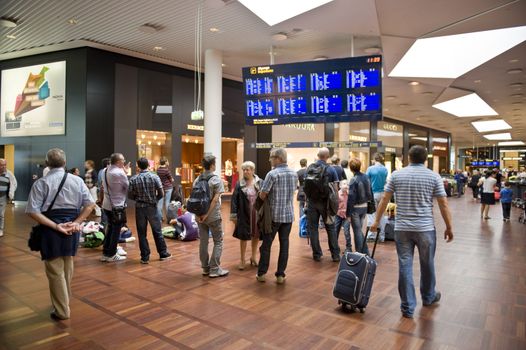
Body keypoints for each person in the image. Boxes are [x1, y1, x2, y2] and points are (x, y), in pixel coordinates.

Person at [371, 145, 453, 319]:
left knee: (405, 266)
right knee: (427, 263)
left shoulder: (396, 175)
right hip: (425, 228)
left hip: (402, 229)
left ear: (408, 158)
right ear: (425, 159)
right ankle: (429, 296)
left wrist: (376, 221)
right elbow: (443, 204)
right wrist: (449, 226)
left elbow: (385, 199)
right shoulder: (433, 176)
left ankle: (407, 307)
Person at [26, 148, 95, 320]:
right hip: (72, 228)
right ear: (65, 162)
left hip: (51, 229)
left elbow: (33, 211)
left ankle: (62, 310)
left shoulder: (41, 183)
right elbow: (90, 205)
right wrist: (76, 223)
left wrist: (56, 227)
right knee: (67, 266)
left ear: (47, 163)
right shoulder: (77, 181)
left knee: (55, 270)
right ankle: (63, 301)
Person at [257, 148, 297, 284]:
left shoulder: (272, 174)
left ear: (278, 158)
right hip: (288, 215)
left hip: (273, 216)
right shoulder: (293, 174)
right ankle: (280, 275)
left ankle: (262, 273)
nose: (269, 160)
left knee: (266, 245)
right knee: (284, 244)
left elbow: (263, 194)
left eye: (271, 157)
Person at [128, 158, 172, 263]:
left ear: (138, 166)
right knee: (157, 231)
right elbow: (161, 193)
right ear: (148, 165)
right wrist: (154, 200)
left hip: (140, 208)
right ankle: (163, 253)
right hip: (152, 207)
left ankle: (145, 257)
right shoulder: (154, 177)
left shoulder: (133, 179)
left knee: (141, 233)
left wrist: (139, 199)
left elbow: (130, 195)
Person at [195, 155, 229, 278]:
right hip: (212, 216)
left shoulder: (197, 179)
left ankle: (205, 268)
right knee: (218, 241)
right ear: (213, 165)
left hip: (199, 216)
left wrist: (199, 215)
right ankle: (214, 269)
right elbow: (215, 200)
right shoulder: (216, 180)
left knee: (203, 242)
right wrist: (207, 214)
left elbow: (194, 199)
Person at [305, 148, 340, 262]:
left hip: (311, 202)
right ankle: (335, 255)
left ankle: (317, 254)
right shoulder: (331, 169)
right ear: (328, 156)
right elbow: (335, 189)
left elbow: (306, 187)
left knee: (313, 228)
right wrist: (335, 205)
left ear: (318, 155)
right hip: (326, 203)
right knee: (330, 228)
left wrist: (307, 202)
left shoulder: (310, 168)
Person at [230, 161, 262, 270]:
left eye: (247, 169)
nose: (245, 171)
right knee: (243, 237)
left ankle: (253, 257)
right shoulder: (239, 184)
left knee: (256, 235)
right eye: (244, 170)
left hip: (257, 213)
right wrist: (233, 215)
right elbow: (234, 200)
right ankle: (242, 259)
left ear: (252, 170)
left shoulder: (260, 182)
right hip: (244, 214)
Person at [100, 153, 130, 262]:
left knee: (110, 229)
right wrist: (125, 173)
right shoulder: (119, 173)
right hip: (117, 206)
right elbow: (128, 187)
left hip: (106, 204)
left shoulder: (105, 170)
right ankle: (112, 254)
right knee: (116, 230)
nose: (124, 161)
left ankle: (106, 253)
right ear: (118, 162)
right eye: (123, 160)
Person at [346, 158, 373, 255]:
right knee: (359, 230)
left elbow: (351, 198)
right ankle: (365, 251)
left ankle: (359, 253)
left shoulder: (354, 179)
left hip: (356, 208)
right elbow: (371, 191)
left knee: (357, 231)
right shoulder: (366, 177)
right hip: (365, 206)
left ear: (350, 168)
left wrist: (348, 214)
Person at [366, 153, 388, 242]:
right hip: (382, 194)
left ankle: (372, 236)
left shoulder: (370, 169)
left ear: (374, 159)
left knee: (372, 214)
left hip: (373, 193)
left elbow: (366, 181)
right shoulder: (385, 169)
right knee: (381, 215)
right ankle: (381, 236)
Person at [0, 158, 17, 237]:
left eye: (5, 165)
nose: (4, 167)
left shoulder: (9, 174)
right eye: (2, 165)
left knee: (1, 214)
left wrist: (11, 194)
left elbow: (14, 184)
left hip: (3, 197)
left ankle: (0, 230)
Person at [335, 179, 352, 252]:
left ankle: (349, 247)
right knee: (335, 231)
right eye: (344, 184)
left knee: (346, 232)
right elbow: (334, 205)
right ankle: (334, 246)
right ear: (340, 186)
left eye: (347, 184)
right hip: (338, 215)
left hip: (346, 216)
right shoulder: (337, 195)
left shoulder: (349, 195)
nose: (346, 185)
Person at [156, 157, 174, 222]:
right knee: (167, 203)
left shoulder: (158, 170)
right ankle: (169, 219)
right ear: (165, 162)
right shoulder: (166, 170)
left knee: (159, 204)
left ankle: (160, 218)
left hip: (161, 188)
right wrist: (172, 180)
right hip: (168, 188)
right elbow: (171, 179)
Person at [97, 158, 111, 226]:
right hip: (104, 193)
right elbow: (102, 184)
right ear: (107, 164)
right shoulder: (106, 171)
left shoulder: (100, 171)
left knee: (103, 211)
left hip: (101, 192)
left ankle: (103, 228)